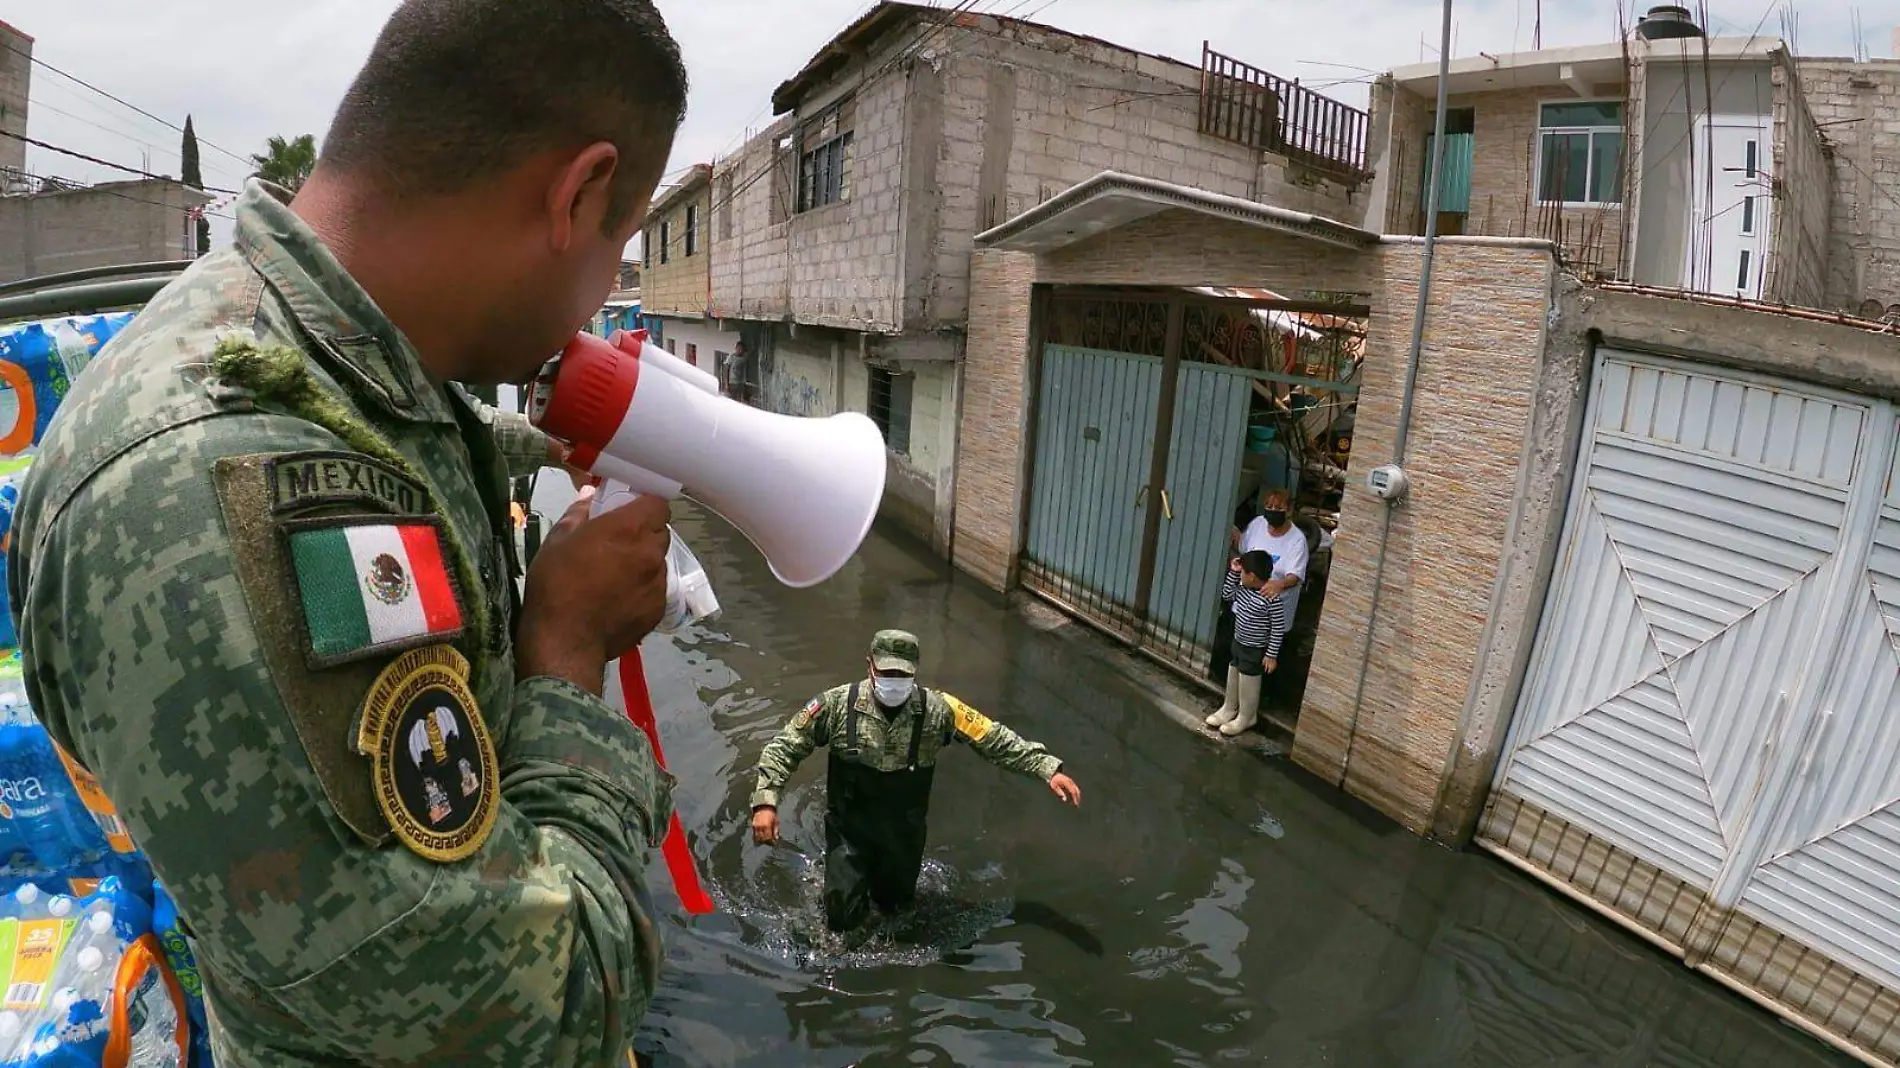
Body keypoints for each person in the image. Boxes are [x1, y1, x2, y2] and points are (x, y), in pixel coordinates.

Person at [9, 2, 690, 1064]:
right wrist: (568, 649)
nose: (603, 291)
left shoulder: (305, 348)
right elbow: (541, 1013)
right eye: (620, 245)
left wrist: (539, 448)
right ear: (578, 193)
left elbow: (401, 435)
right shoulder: (217, 481)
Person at [749, 631, 1082, 934]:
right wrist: (766, 802)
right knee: (842, 920)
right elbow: (785, 746)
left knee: (898, 914)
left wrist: (1046, 768)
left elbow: (993, 739)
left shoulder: (939, 711)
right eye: (887, 673)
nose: (895, 681)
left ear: (914, 672)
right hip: (850, 831)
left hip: (903, 835)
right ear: (870, 667)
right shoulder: (836, 705)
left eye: (902, 674)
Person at [1205, 550, 1286, 737]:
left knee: (1248, 675)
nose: (1240, 575)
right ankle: (1229, 707)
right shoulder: (1242, 590)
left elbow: (1277, 629)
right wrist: (1233, 572)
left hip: (1255, 648)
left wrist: (1271, 655)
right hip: (1238, 641)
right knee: (1234, 669)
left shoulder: (1271, 599)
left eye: (1242, 572)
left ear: (1252, 576)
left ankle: (1247, 715)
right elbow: (1226, 594)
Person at [1240, 488, 1311, 633]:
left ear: (1289, 511)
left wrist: (1279, 584)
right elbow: (1243, 548)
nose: (1272, 511)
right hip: (1247, 612)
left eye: (1278, 508)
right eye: (1269, 507)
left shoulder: (1297, 540)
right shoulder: (1258, 524)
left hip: (1273, 616)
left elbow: (1295, 576)